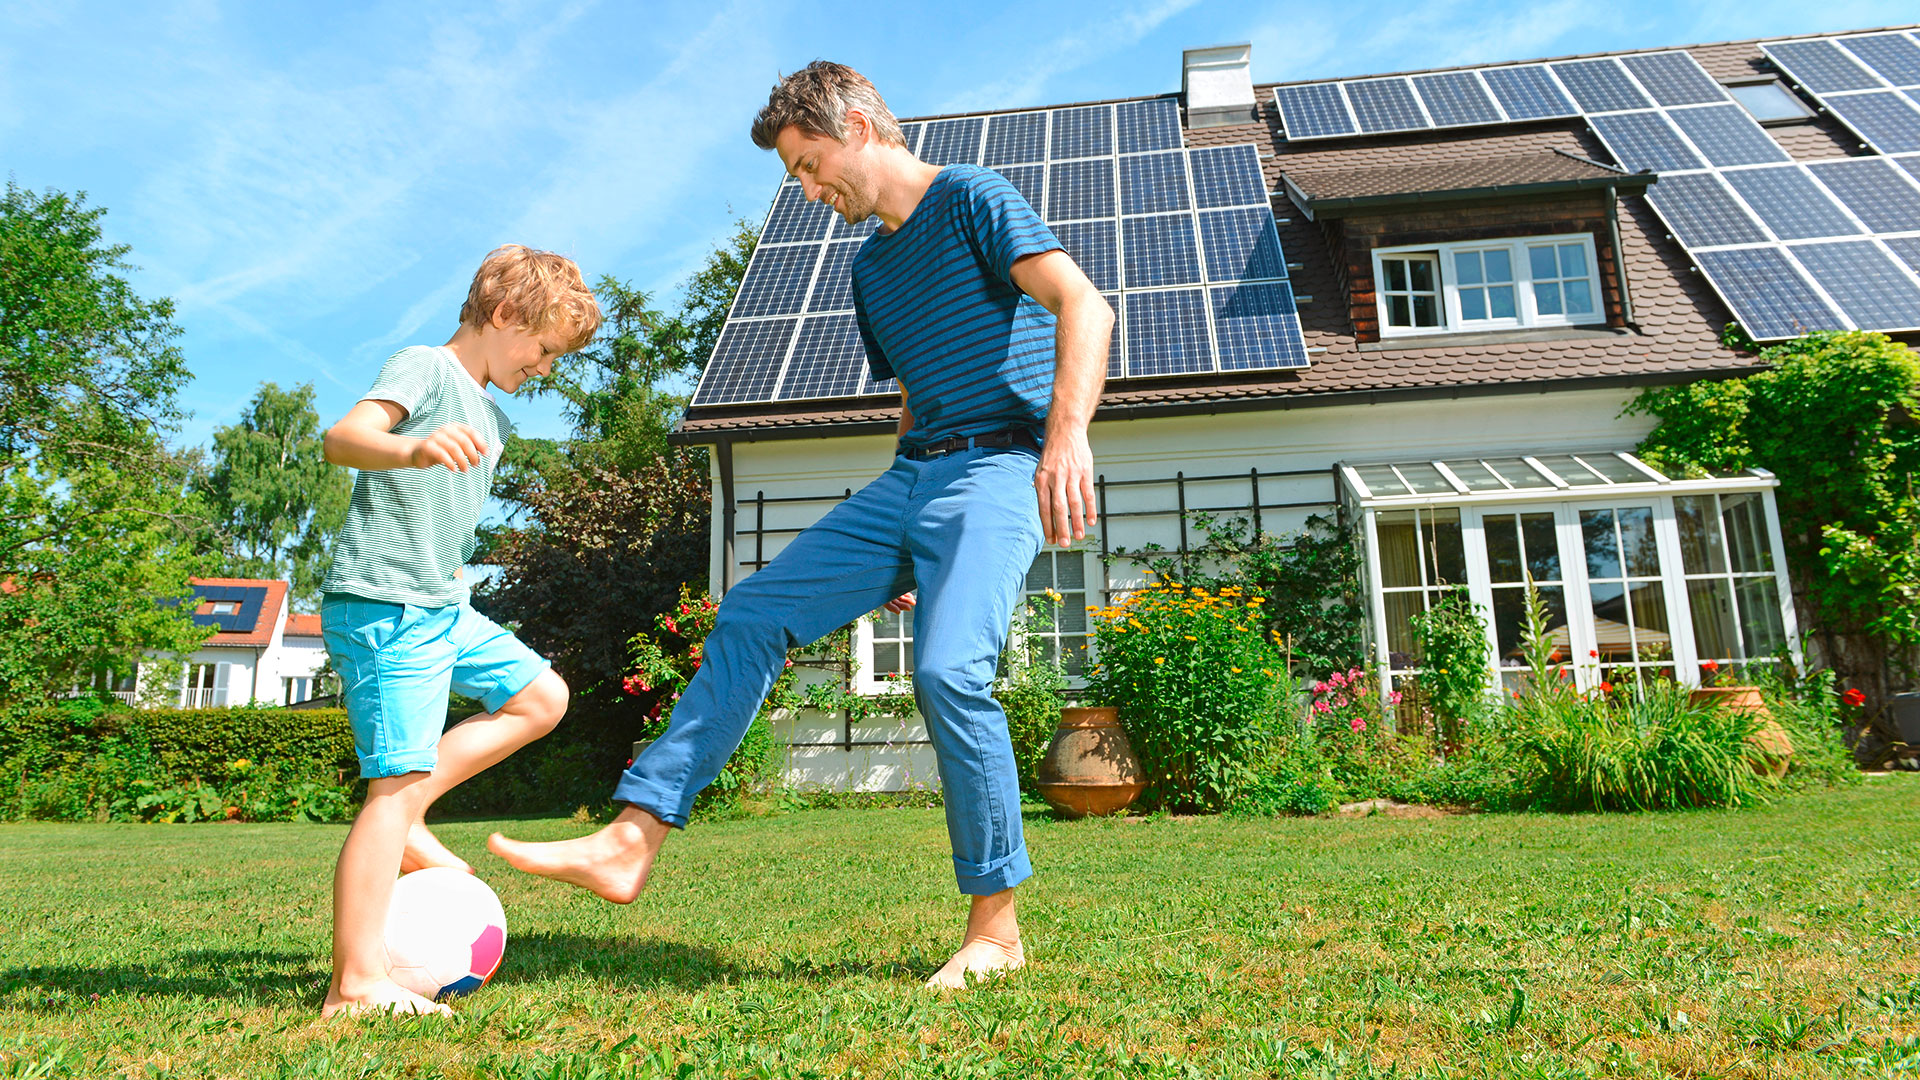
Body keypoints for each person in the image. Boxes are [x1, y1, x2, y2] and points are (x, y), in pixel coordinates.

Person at [489, 61, 1109, 989]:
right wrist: (896, 540)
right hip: (916, 477)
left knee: (948, 673)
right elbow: (913, 402)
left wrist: (1066, 439)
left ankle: (996, 931)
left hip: (999, 465)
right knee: (751, 613)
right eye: (796, 176)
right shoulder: (870, 269)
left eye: (810, 165)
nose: (809, 190)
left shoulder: (975, 197)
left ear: (859, 126)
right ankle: (633, 836)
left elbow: (1083, 305)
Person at [317, 245, 601, 1017]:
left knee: (541, 698)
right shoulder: (427, 369)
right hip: (385, 605)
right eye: (543, 350)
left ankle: (407, 816)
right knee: (393, 785)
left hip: (440, 607)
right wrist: (410, 446)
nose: (545, 368)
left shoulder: (490, 412)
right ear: (504, 315)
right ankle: (356, 985)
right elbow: (343, 438)